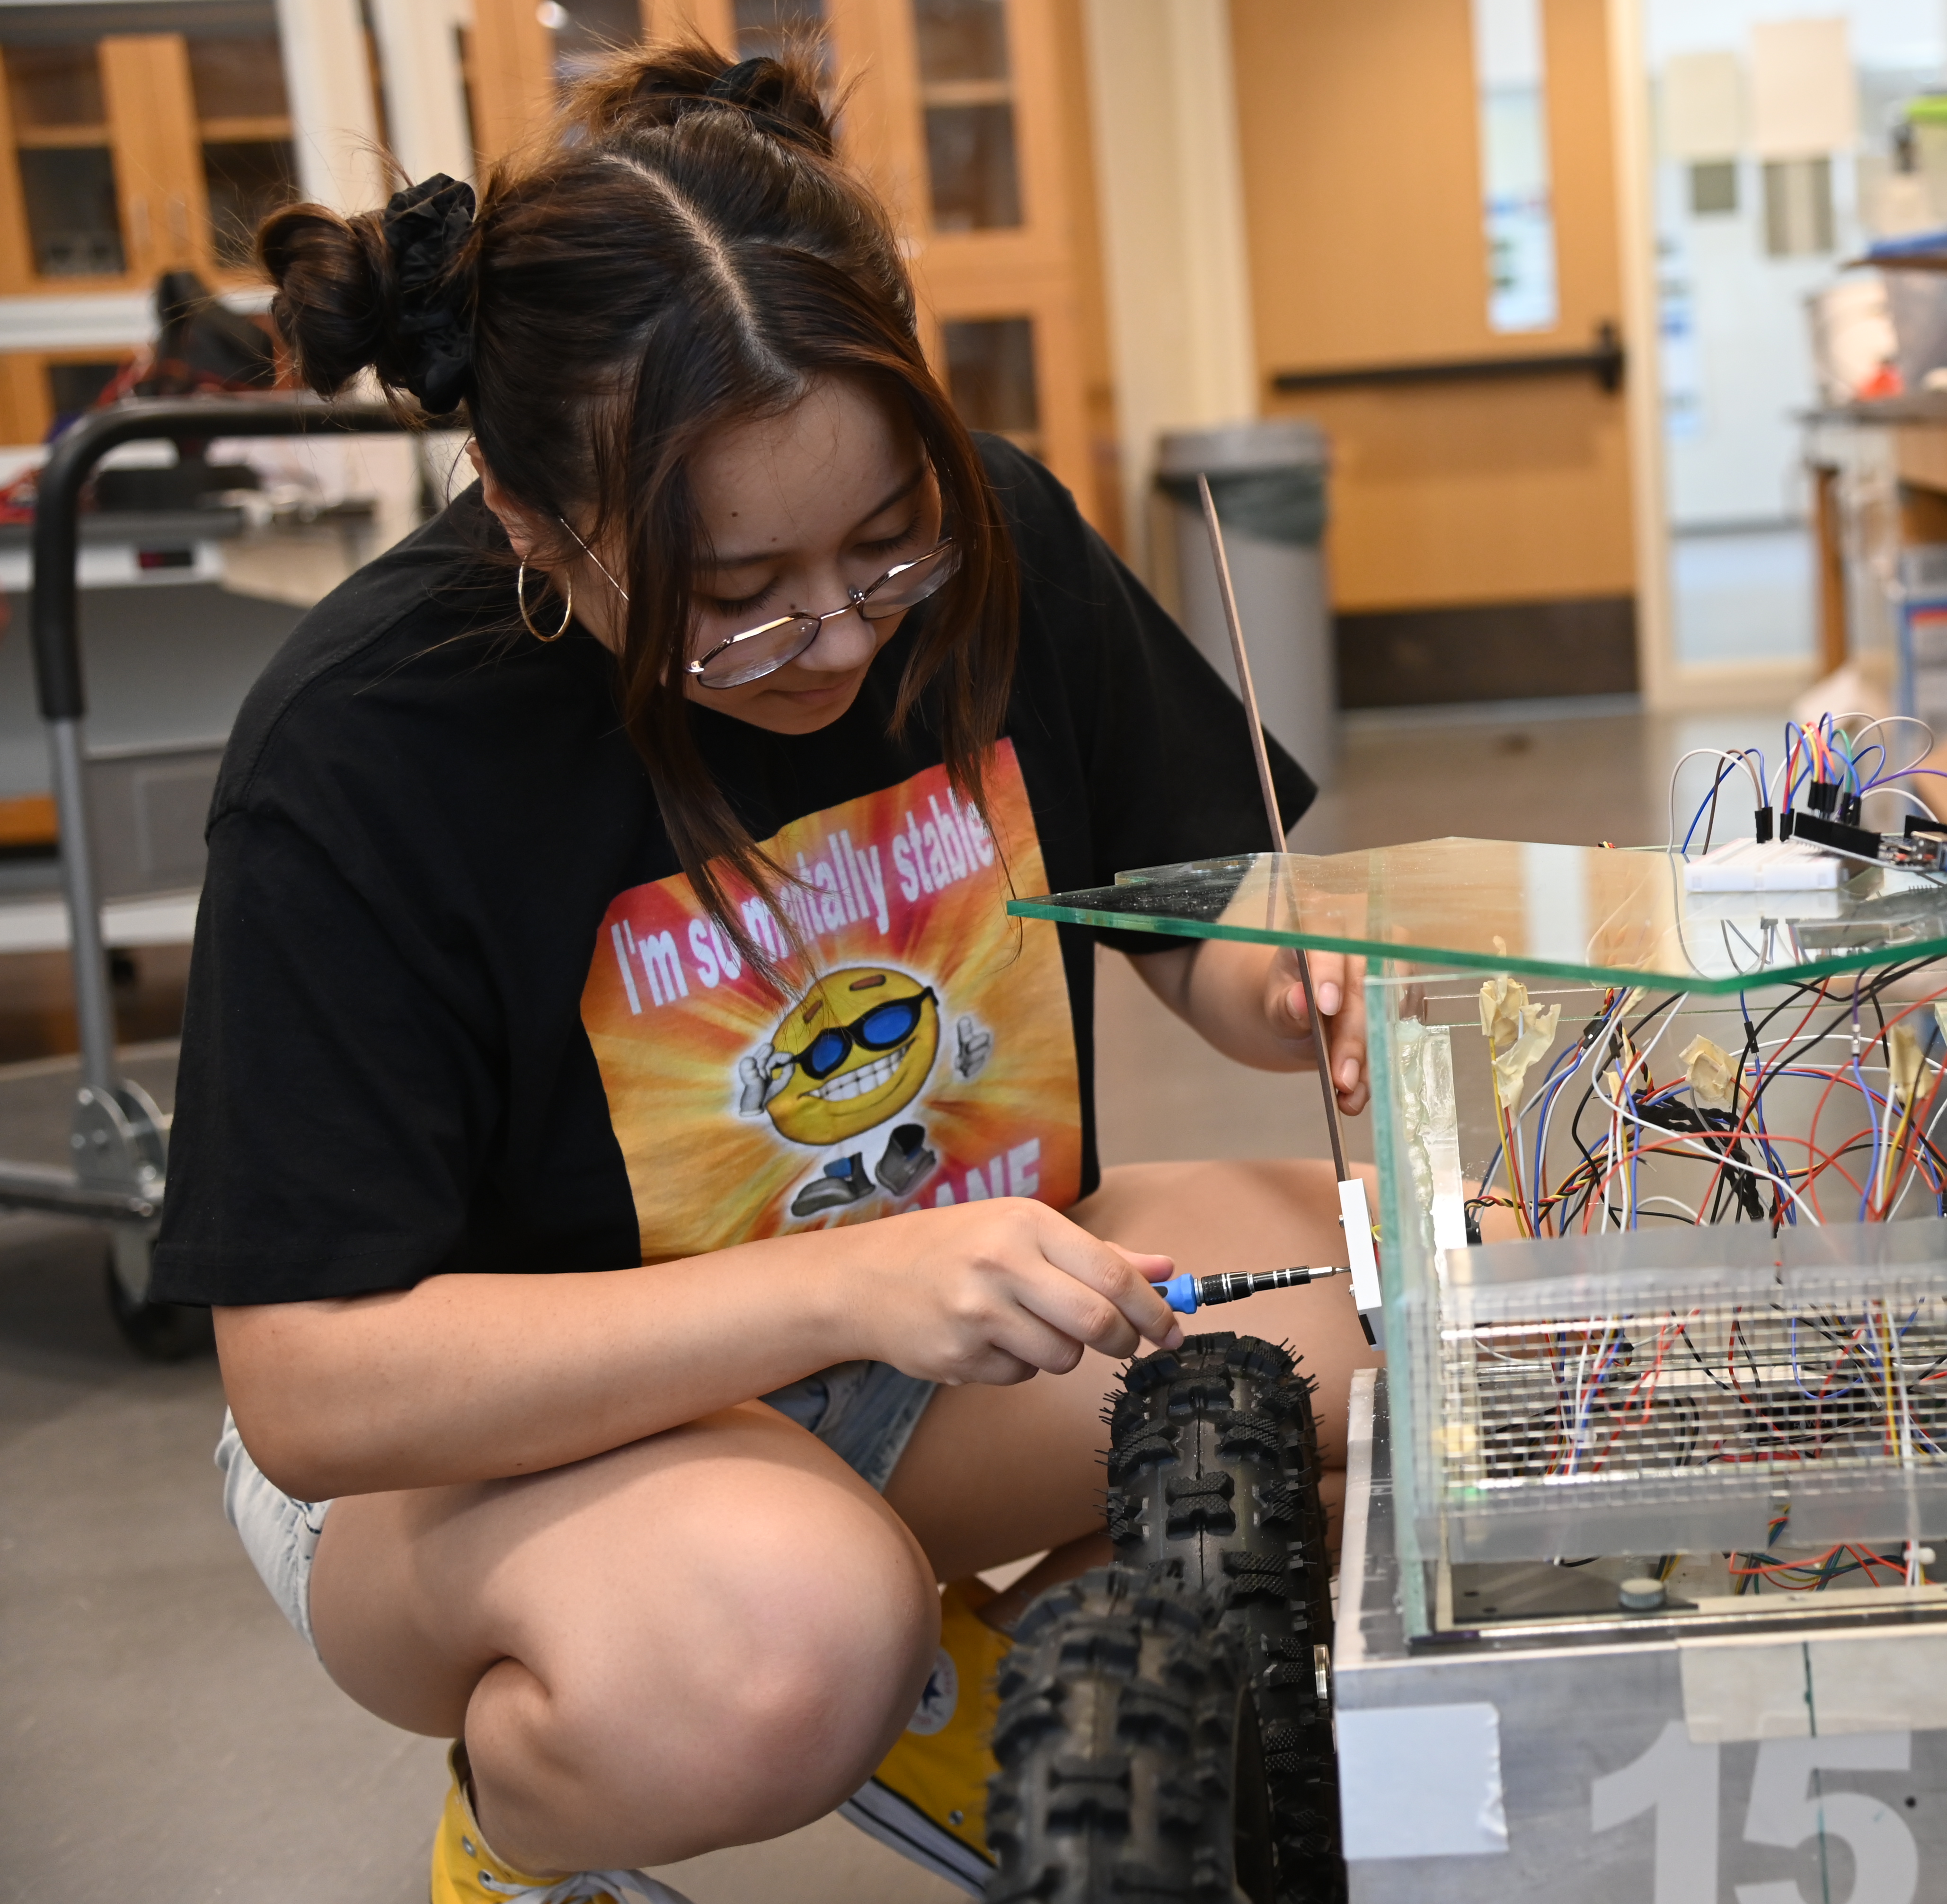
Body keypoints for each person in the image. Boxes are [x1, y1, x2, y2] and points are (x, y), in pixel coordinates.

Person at [150, 42, 1376, 1904]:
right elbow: (314, 1381)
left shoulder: (995, 537)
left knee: (1438, 1317)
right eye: (735, 590)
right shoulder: (368, 747)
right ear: (526, 510)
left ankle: (1032, 1706)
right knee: (786, 1638)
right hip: (479, 1451)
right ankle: (530, 1825)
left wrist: (1289, 979)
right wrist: (851, 1281)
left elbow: (1195, 904)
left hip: (938, 1311)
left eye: (889, 548)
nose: (836, 634)